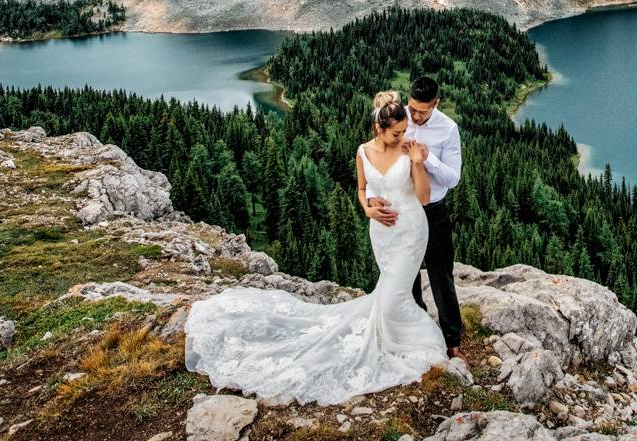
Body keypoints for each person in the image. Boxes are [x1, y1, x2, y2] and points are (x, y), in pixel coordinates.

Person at [182, 90, 447, 405]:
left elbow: (425, 196)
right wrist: (367, 208)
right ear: (380, 129)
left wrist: (418, 164)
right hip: (383, 233)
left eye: (404, 131)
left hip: (411, 231)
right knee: (388, 294)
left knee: (393, 297)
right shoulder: (363, 152)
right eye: (397, 132)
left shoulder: (409, 151)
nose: (403, 137)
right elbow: (363, 190)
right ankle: (391, 335)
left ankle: (409, 340)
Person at [392, 75, 463, 356]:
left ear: (436, 104)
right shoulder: (400, 118)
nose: (416, 116)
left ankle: (452, 340)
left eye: (423, 111)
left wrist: (428, 158)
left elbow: (453, 178)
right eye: (413, 109)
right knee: (405, 273)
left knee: (440, 275)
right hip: (404, 207)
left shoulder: (448, 129)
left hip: (433, 211)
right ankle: (416, 327)